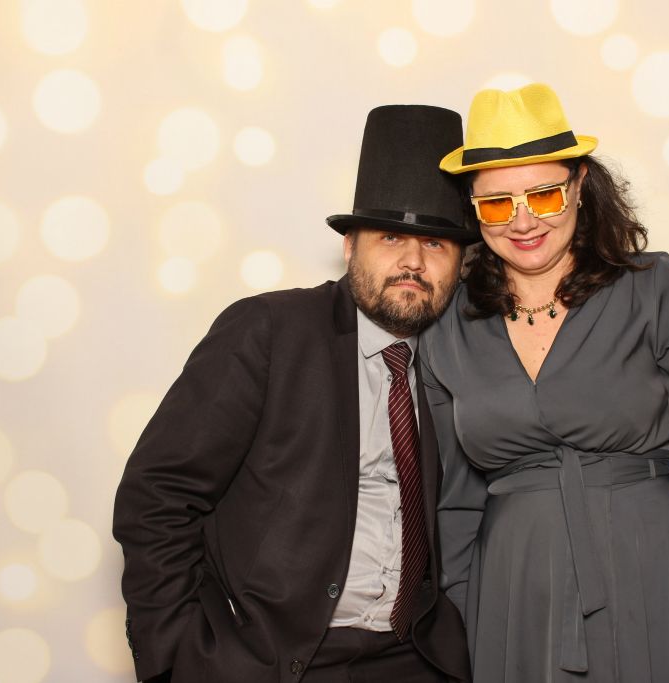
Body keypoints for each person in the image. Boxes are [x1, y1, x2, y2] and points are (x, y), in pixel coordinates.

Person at [421, 83, 669, 683]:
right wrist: (458, 628)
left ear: (580, 185)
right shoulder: (449, 326)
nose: (523, 221)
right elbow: (454, 500)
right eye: (497, 204)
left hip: (655, 567)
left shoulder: (655, 289)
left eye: (544, 194)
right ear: (472, 207)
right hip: (513, 592)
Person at [113, 104, 480, 683]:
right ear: (350, 247)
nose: (412, 261)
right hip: (277, 662)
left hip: (413, 658)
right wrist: (181, 658)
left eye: (435, 244)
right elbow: (158, 494)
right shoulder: (269, 332)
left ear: (460, 262)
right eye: (390, 237)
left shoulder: (462, 361)